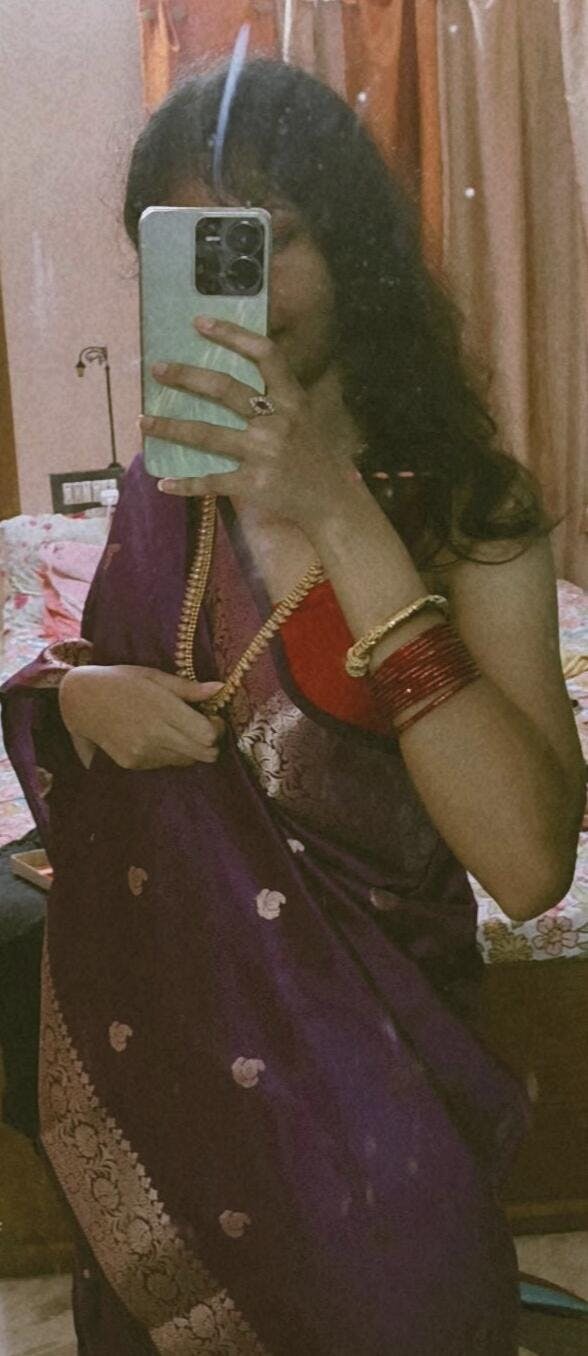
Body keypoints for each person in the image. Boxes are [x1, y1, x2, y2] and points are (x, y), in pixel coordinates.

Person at [2, 58, 585, 1356]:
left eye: (273, 236)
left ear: (355, 253)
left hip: (383, 1116)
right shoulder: (164, 485)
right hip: (176, 1081)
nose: (243, 285)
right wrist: (80, 698)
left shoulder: (469, 513)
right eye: (200, 246)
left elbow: (529, 861)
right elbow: (96, 670)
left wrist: (333, 505)